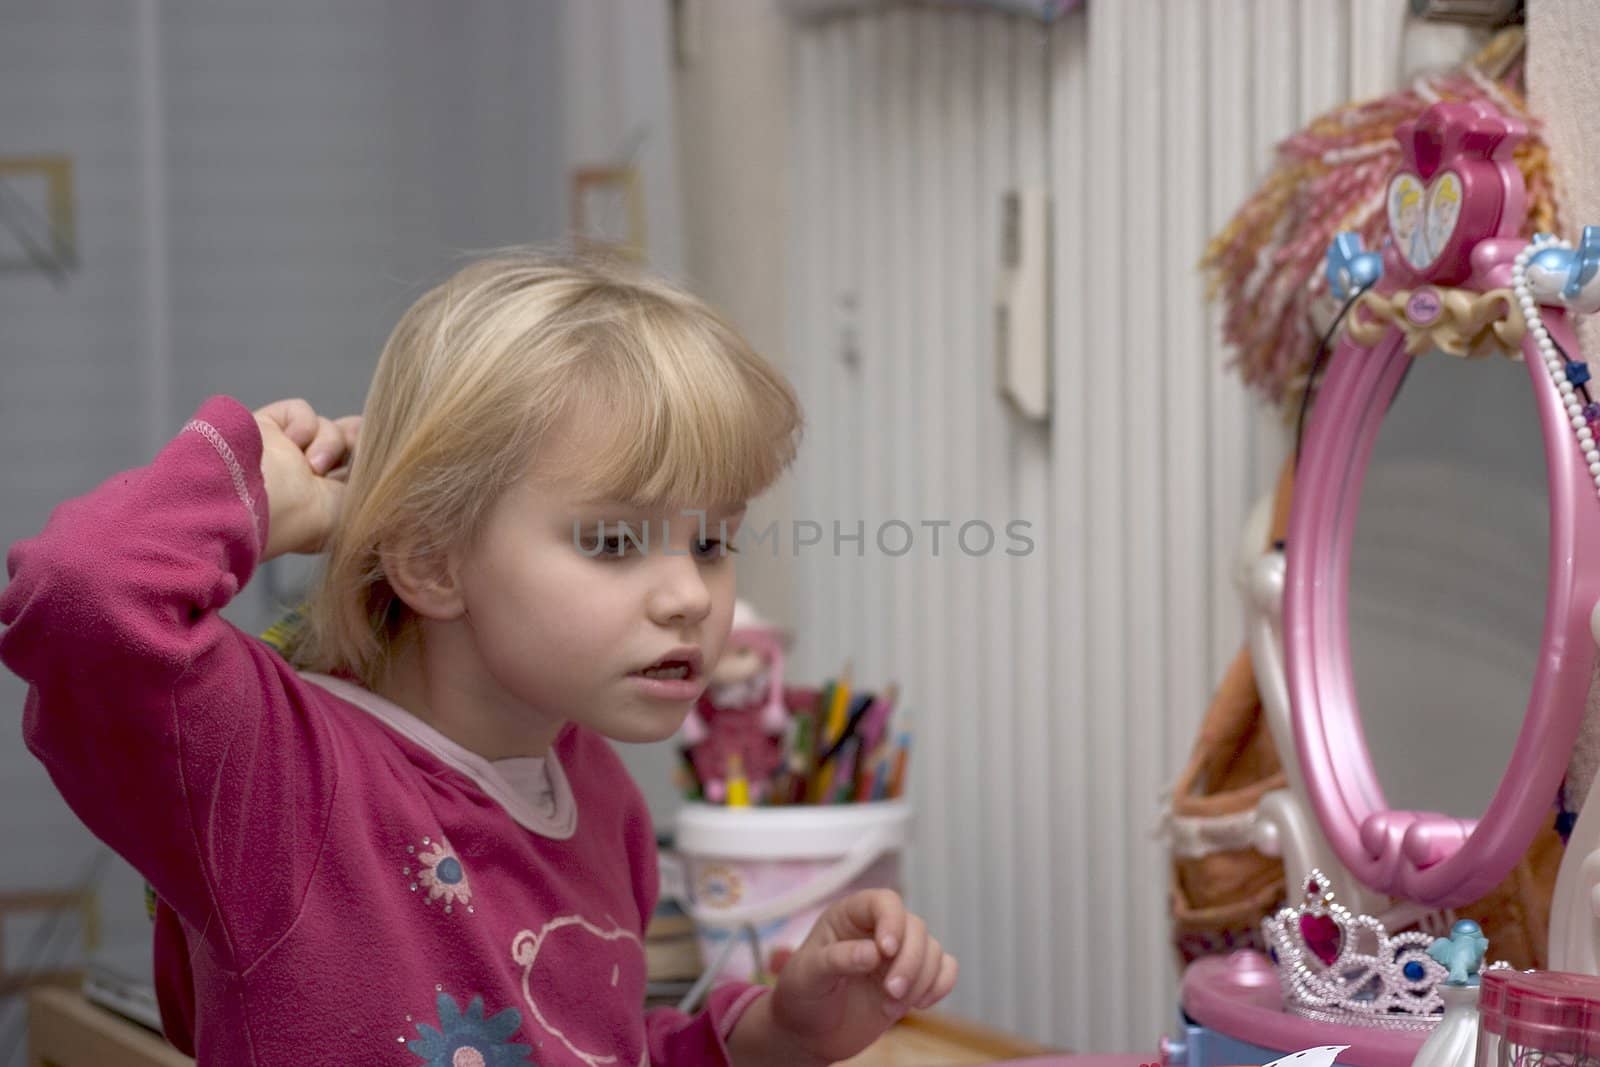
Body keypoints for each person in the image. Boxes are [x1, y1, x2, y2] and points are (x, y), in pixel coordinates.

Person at [1, 252, 957, 1065]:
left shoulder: (599, 795)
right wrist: (272, 491)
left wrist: (772, 1034)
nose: (688, 595)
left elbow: (587, 1041)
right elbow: (80, 592)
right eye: (616, 541)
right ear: (430, 560)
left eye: (710, 542)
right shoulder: (273, 773)